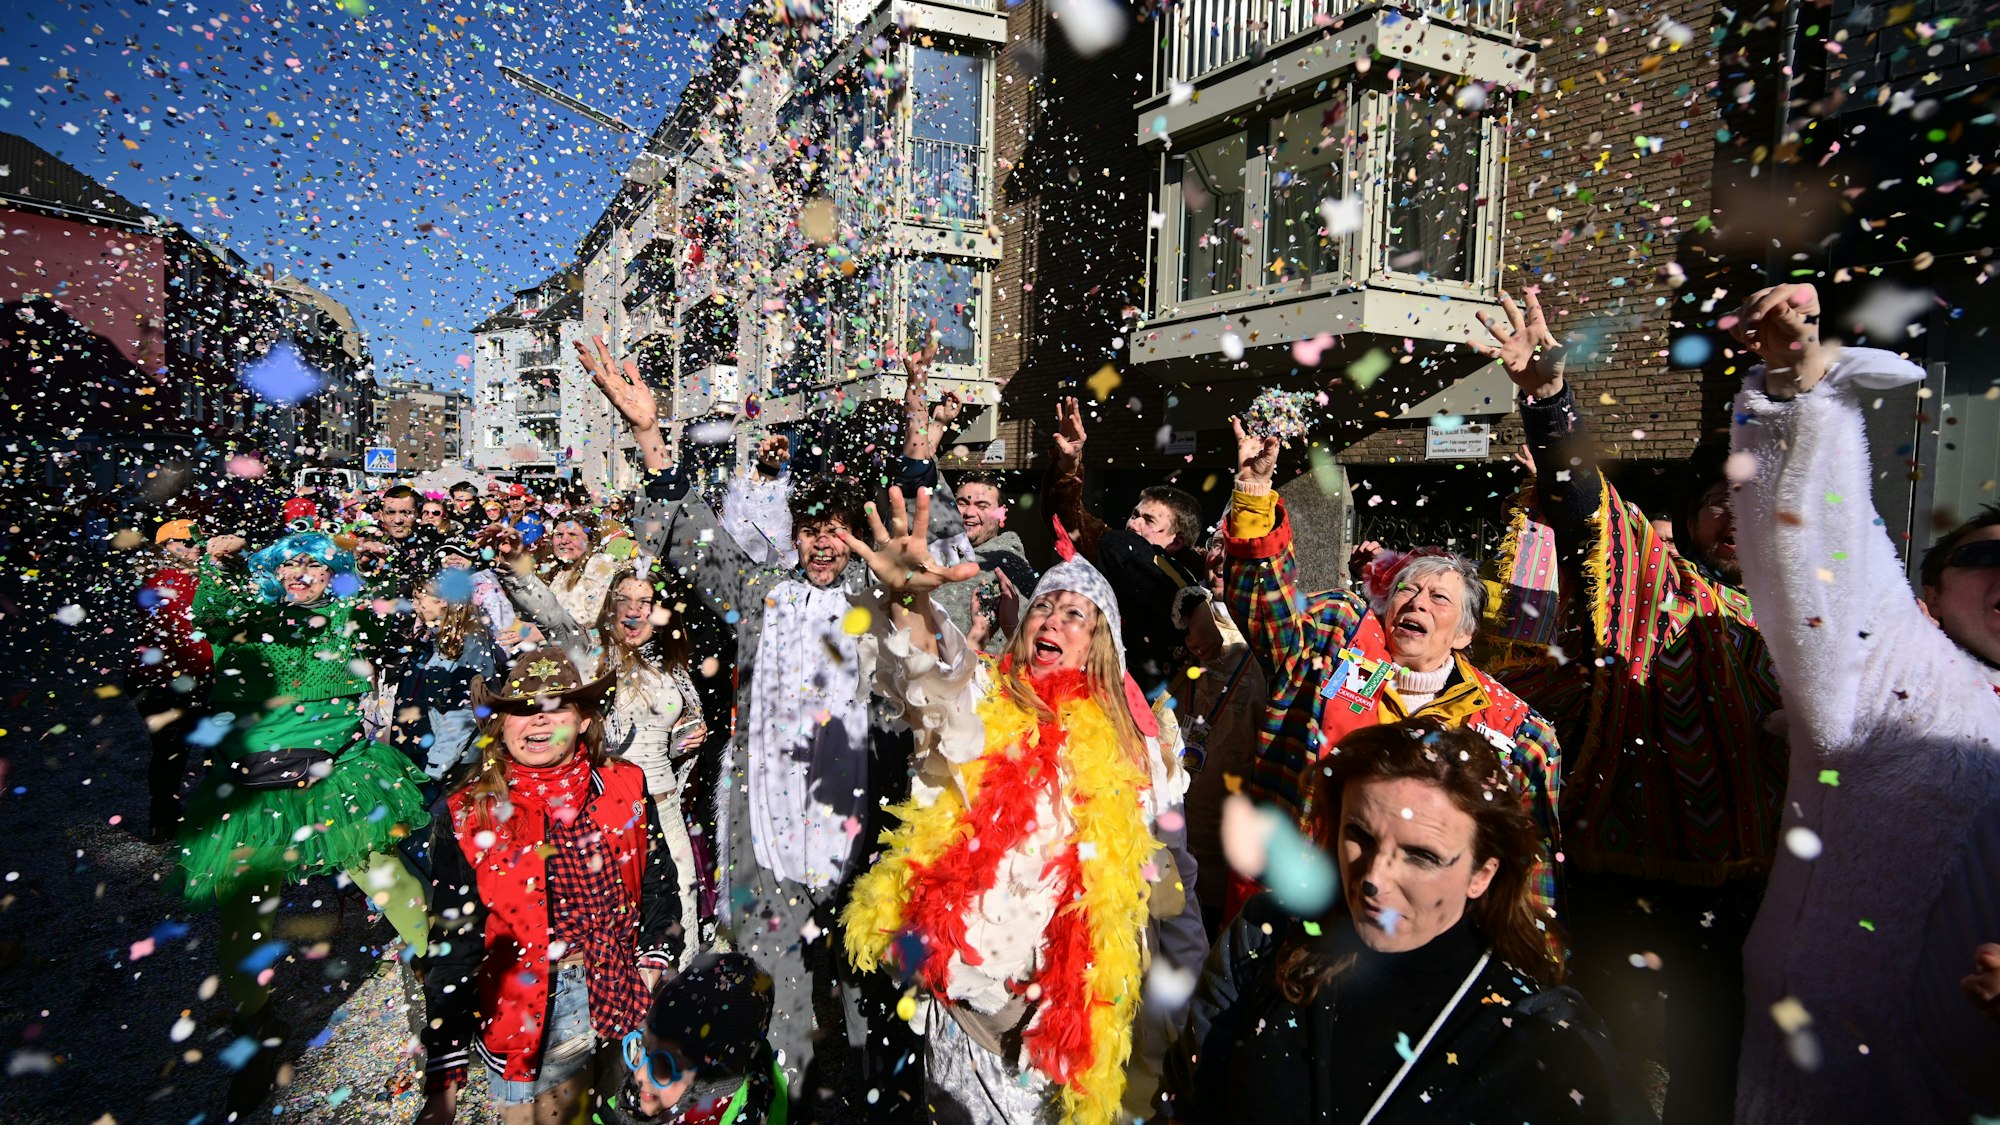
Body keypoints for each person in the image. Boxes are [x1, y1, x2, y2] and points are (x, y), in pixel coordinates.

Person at [578, 333, 920, 1112]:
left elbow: (945, 625)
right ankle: (784, 1101)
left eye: (836, 528)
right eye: (810, 527)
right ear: (795, 530)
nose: (822, 542)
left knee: (872, 1008)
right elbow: (695, 540)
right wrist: (649, 438)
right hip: (769, 834)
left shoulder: (886, 595)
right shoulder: (763, 590)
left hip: (865, 838)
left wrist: (917, 456)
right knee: (785, 1001)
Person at [1470, 290, 1785, 1122]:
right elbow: (1583, 511)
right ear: (1689, 515)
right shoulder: (1658, 580)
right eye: (1719, 496)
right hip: (1622, 876)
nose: (1733, 513)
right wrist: (1548, 400)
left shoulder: (1805, 617)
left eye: (1753, 498)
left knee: (1712, 1069)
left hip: (1752, 893)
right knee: (1595, 1063)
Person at [1722, 282, 2000, 1122]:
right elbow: (1823, 558)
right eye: (1990, 554)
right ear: (1928, 592)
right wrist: (1801, 396)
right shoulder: (1899, 673)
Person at [841, 487, 1197, 1125]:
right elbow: (932, 679)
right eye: (1044, 609)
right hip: (970, 1013)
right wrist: (908, 600)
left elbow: (1167, 883)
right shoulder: (983, 703)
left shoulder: (1141, 750)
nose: (1053, 623)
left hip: (1064, 1026)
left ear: (1100, 645)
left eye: (1075, 616)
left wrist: (1176, 1003)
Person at [1163, 721, 1653, 1124]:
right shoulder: (1267, 937)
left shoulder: (1544, 1035)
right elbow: (1188, 1102)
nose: (1374, 877)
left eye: (1421, 856)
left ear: (1482, 874)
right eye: (1360, 836)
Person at [1222, 419, 1563, 932]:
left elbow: (1528, 868)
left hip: (1414, 930)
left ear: (1465, 634)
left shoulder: (1514, 729)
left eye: (1438, 597)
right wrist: (1252, 493)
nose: (1417, 602)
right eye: (1407, 590)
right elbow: (1263, 608)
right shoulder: (1337, 632)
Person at [178, 528, 433, 1117]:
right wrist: (218, 563)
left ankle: (442, 984)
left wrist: (379, 564)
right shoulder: (244, 620)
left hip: (332, 780)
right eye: (288, 565)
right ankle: (258, 1031)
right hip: (253, 793)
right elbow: (213, 607)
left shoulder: (348, 618)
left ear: (331, 574)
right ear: (271, 573)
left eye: (314, 566)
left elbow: (389, 610)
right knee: (244, 920)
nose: (300, 574)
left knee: (385, 878)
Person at [417, 650, 684, 1125]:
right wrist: (444, 1079)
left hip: (625, 989)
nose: (536, 722)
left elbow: (658, 881)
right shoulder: (468, 813)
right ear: (500, 724)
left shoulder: (625, 783)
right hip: (534, 1014)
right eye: (521, 709)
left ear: (584, 721)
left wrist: (654, 957)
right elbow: (453, 948)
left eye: (555, 706)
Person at [496, 552, 708, 954]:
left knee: (681, 904)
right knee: (619, 915)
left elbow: (665, 743)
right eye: (623, 600)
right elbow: (553, 618)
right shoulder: (592, 655)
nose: (632, 612)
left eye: (643, 602)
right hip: (610, 810)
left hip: (666, 808)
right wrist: (519, 571)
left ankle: (674, 1004)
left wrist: (684, 742)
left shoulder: (672, 668)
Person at [1045, 395, 1208, 693]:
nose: (1133, 524)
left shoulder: (1198, 590)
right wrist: (1068, 466)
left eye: (1149, 521)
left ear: (1177, 541)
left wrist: (1195, 605)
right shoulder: (1111, 550)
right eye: (1134, 514)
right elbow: (1067, 520)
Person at [1165, 580, 1267, 937]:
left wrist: (1205, 611)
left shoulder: (1258, 642)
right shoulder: (1188, 624)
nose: (1217, 565)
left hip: (1225, 838)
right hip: (1178, 822)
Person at [625, 952, 787, 1124]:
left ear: (710, 1081)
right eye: (644, 1045)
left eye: (666, 1064)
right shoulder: (634, 1096)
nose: (641, 1075)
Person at [128, 517, 213, 843]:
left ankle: (164, 823)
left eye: (197, 542)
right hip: (173, 681)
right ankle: (205, 817)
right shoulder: (172, 582)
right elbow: (199, 639)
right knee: (200, 749)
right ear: (164, 548)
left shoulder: (155, 580)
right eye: (185, 543)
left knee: (170, 751)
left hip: (152, 679)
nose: (194, 548)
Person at [387, 569, 501, 785]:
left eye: (419, 599)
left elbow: (464, 712)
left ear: (443, 600)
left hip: (456, 764)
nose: (414, 606)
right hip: (431, 753)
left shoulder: (471, 643)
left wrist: (434, 769)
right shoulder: (436, 639)